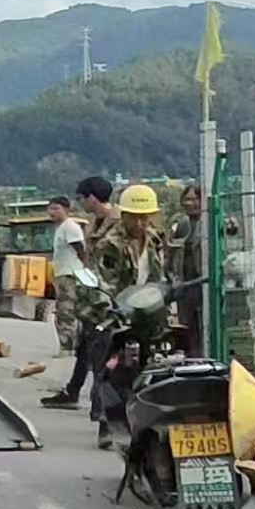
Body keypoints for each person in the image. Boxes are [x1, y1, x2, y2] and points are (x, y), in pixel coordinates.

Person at [87, 182, 171, 449]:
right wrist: (112, 309)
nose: (140, 222)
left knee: (149, 367)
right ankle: (106, 424)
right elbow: (101, 283)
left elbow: (159, 278)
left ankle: (144, 424)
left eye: (145, 217)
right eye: (135, 217)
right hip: (117, 314)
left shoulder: (155, 240)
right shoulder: (109, 244)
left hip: (147, 313)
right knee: (111, 370)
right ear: (123, 215)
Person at [40, 176, 117, 412]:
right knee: (85, 344)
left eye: (81, 198)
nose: (80, 203)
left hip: (109, 297)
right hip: (92, 294)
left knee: (101, 350)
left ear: (91, 198)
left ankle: (102, 403)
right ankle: (74, 392)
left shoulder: (118, 223)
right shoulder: (95, 223)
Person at [169, 183, 206, 358]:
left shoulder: (208, 222)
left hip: (204, 282)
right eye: (187, 199)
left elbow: (229, 230)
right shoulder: (183, 224)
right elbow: (173, 252)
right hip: (186, 284)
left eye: (194, 199)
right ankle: (193, 357)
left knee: (204, 322)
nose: (190, 203)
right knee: (188, 325)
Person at [45, 195, 86, 355]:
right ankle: (71, 345)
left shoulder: (70, 227)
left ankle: (68, 346)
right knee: (65, 310)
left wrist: (84, 268)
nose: (52, 212)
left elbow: (80, 249)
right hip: (62, 273)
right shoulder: (61, 228)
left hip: (70, 274)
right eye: (50, 208)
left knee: (66, 311)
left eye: (57, 208)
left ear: (67, 210)